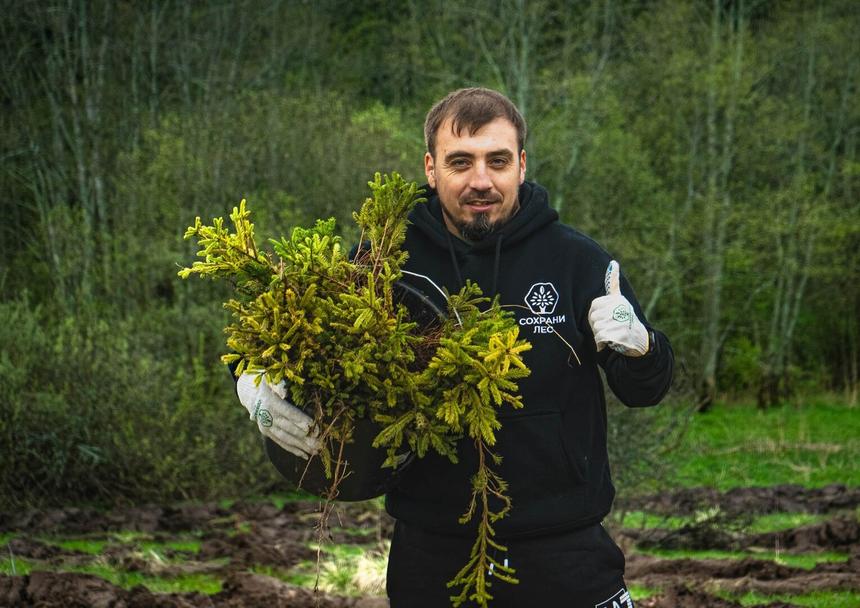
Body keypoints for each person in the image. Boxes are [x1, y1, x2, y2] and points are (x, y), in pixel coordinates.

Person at [236, 87, 673, 608]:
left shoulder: (577, 262)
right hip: (431, 557)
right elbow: (285, 334)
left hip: (566, 552)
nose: (481, 180)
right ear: (430, 167)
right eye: (460, 162)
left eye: (498, 161)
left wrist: (642, 347)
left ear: (522, 165)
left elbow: (646, 390)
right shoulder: (380, 266)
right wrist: (251, 380)